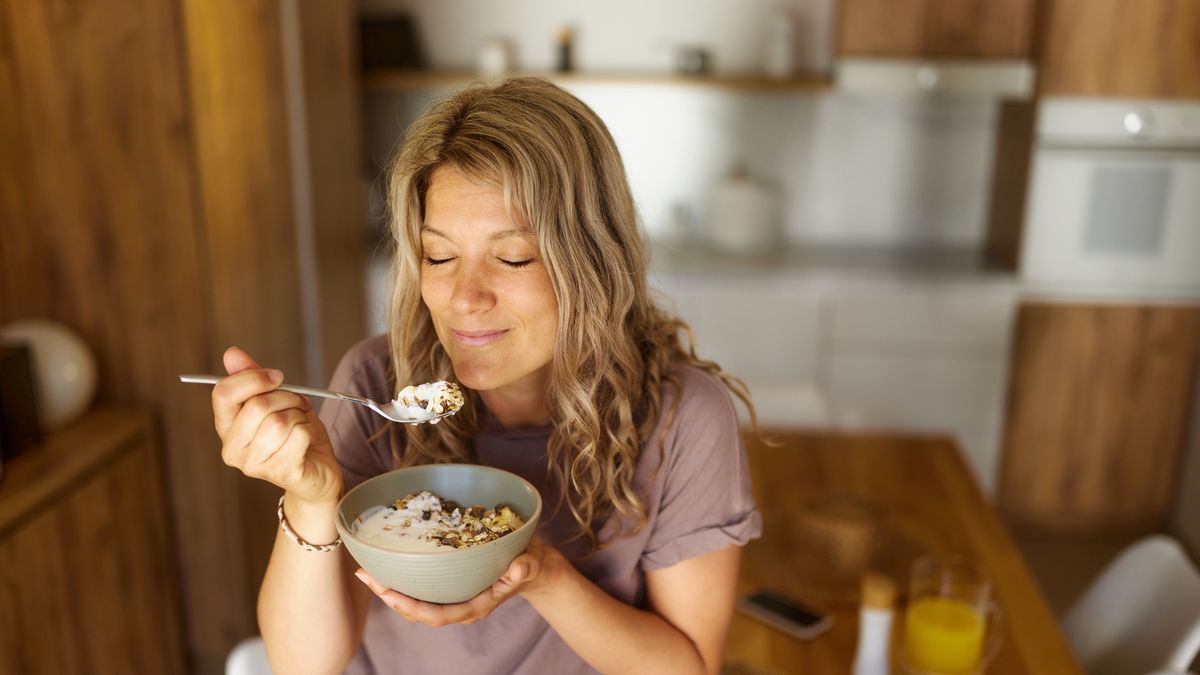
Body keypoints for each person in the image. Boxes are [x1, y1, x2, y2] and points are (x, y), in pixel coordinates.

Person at [210, 76, 762, 675]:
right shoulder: (374, 381)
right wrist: (311, 496)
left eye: (513, 257)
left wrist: (543, 575)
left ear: (594, 261)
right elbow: (303, 666)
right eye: (439, 256)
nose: (464, 298)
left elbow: (686, 668)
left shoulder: (684, 419)